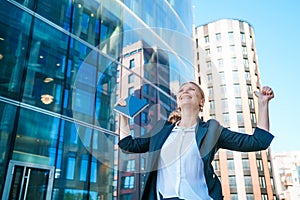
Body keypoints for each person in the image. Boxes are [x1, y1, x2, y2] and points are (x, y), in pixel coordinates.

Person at [118, 81, 274, 200]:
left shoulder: (212, 130)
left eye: (191, 89)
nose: (185, 91)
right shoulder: (161, 131)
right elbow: (128, 145)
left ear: (201, 101)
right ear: (178, 101)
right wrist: (123, 117)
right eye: (181, 90)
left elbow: (258, 142)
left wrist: (263, 104)